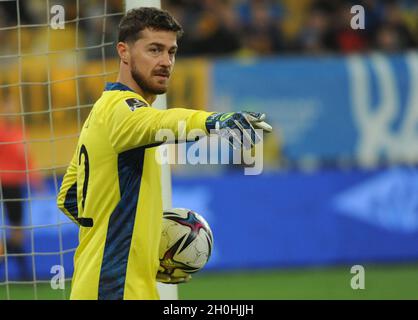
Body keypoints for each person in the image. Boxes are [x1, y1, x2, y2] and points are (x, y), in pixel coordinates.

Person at [57, 7, 272, 300]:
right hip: (113, 290)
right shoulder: (122, 109)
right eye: (154, 50)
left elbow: (69, 197)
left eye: (171, 52)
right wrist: (213, 121)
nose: (166, 61)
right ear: (124, 52)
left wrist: (142, 249)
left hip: (110, 286)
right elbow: (160, 122)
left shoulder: (102, 112)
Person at [0, 97, 42, 280]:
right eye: (8, 109)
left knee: (18, 232)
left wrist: (36, 180)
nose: (11, 112)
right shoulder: (1, 130)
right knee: (16, 232)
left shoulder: (19, 131)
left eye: (14, 109)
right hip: (3, 184)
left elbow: (27, 159)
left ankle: (24, 272)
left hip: (16, 186)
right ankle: (25, 273)